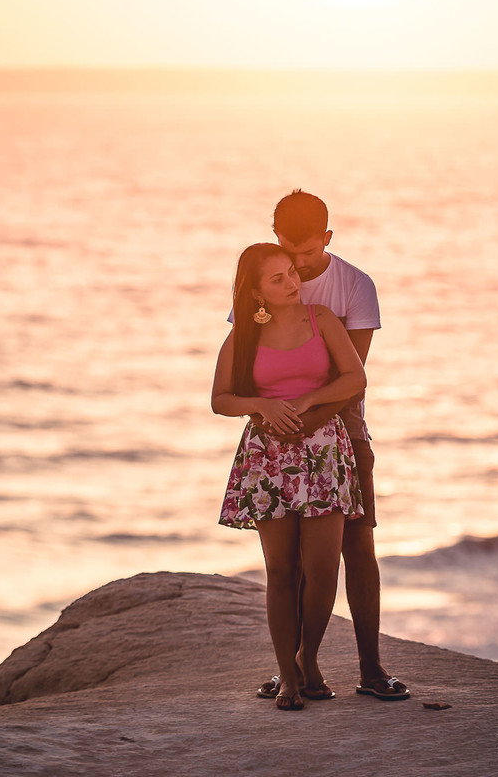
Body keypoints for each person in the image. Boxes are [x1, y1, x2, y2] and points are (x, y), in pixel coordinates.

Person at [252, 190, 410, 702]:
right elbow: (250, 370)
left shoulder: (354, 285)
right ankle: (293, 669)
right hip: (279, 438)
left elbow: (352, 378)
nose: (295, 267)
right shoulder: (264, 281)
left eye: (305, 253)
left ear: (327, 238)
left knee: (358, 546)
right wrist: (277, 423)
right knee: (292, 559)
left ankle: (370, 667)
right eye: (286, 251)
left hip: (344, 433)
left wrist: (306, 420)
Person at [212, 242, 367, 711]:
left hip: (324, 455)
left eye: (291, 274)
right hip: (268, 459)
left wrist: (303, 403)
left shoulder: (323, 319)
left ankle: (309, 657)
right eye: (277, 279)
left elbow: (354, 379)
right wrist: (261, 403)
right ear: (255, 291)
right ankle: (287, 675)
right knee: (281, 571)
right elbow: (221, 399)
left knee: (322, 569)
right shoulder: (243, 336)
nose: (292, 282)